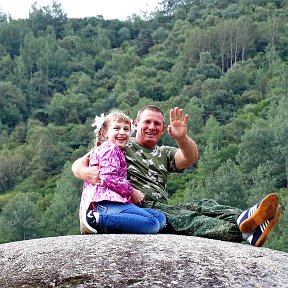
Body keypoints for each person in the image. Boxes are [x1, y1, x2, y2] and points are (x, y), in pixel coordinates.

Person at [73, 105, 282, 247]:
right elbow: (80, 163)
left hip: (162, 205)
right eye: (147, 122)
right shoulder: (120, 143)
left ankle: (251, 219)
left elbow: (189, 157)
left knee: (203, 205)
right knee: (192, 221)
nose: (152, 127)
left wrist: (182, 138)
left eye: (157, 124)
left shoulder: (163, 153)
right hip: (138, 207)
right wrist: (85, 172)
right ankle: (243, 233)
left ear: (163, 129)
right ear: (136, 124)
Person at [79, 110, 166, 234]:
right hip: (105, 203)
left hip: (117, 202)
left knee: (160, 218)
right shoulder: (110, 148)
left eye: (126, 129)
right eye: (116, 128)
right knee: (152, 224)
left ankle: (112, 223)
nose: (122, 132)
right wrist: (132, 191)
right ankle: (97, 219)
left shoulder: (118, 150)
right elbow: (108, 176)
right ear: (105, 132)